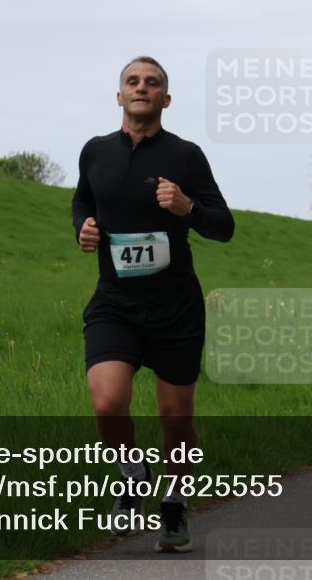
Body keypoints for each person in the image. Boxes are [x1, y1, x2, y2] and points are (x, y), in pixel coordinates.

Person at [72, 56, 234, 552]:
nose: (142, 88)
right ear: (119, 95)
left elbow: (223, 226)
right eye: (132, 82)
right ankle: (132, 474)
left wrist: (188, 208)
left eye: (153, 83)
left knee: (176, 418)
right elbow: (83, 200)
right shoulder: (95, 151)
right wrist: (82, 228)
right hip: (115, 302)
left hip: (176, 308)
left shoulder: (186, 156)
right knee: (106, 399)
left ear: (165, 99)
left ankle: (175, 504)